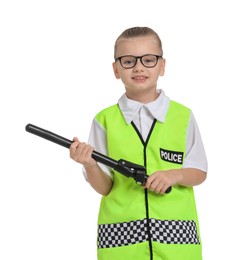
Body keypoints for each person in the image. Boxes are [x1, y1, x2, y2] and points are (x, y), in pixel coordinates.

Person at [70, 26, 208, 260]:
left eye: (148, 59)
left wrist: (174, 175)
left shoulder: (183, 116)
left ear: (162, 66)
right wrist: (90, 165)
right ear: (115, 69)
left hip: (177, 242)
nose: (139, 67)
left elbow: (199, 171)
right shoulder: (104, 120)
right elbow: (105, 188)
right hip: (122, 244)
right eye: (128, 61)